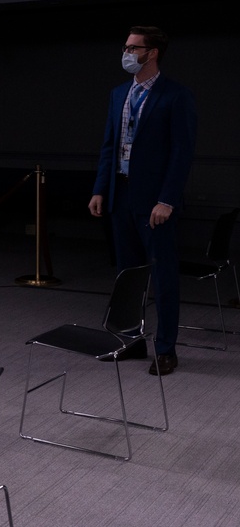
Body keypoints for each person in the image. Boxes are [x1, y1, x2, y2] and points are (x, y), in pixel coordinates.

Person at [89, 26, 197, 376]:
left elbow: (182, 153)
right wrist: (100, 189)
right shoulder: (119, 93)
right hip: (121, 196)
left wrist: (167, 200)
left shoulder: (175, 96)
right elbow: (109, 145)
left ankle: (165, 349)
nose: (127, 52)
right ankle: (129, 341)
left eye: (133, 47)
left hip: (155, 204)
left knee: (163, 277)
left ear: (152, 53)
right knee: (127, 276)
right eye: (126, 46)